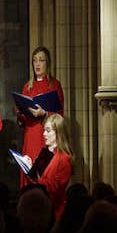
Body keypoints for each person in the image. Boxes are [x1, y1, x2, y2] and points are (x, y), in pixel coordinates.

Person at [17, 46, 64, 187]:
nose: (37, 64)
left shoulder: (54, 85)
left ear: (47, 63)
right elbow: (23, 120)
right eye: (35, 61)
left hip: (45, 135)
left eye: (41, 60)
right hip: (30, 134)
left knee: (43, 172)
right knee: (29, 170)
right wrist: (20, 113)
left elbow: (60, 115)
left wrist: (44, 114)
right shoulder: (28, 87)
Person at [21, 113, 72, 218]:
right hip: (40, 208)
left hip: (54, 211)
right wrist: (29, 167)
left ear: (58, 133)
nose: (44, 134)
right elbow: (35, 178)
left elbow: (55, 188)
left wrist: (37, 180)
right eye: (44, 130)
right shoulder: (44, 152)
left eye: (48, 131)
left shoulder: (64, 158)